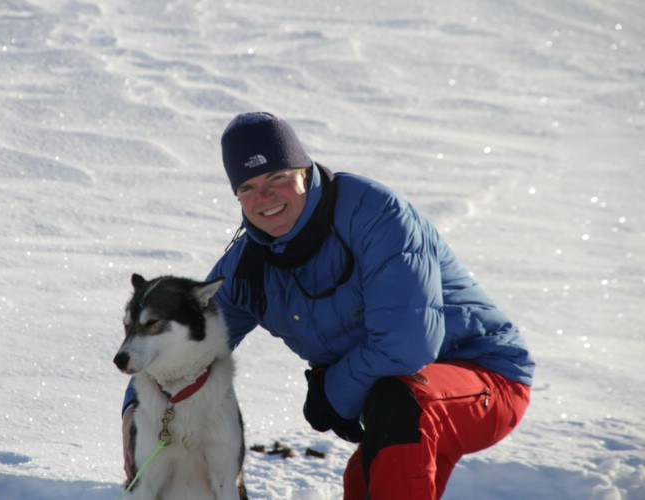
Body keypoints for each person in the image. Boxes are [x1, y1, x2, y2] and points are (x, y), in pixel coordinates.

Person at [121, 111, 534, 499]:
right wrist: (138, 408)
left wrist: (333, 392)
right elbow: (187, 338)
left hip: (485, 378)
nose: (264, 196)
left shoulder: (376, 215)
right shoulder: (248, 265)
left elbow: (410, 346)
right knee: (366, 477)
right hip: (395, 403)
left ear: (304, 171)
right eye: (247, 187)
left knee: (398, 405)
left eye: (277, 176)